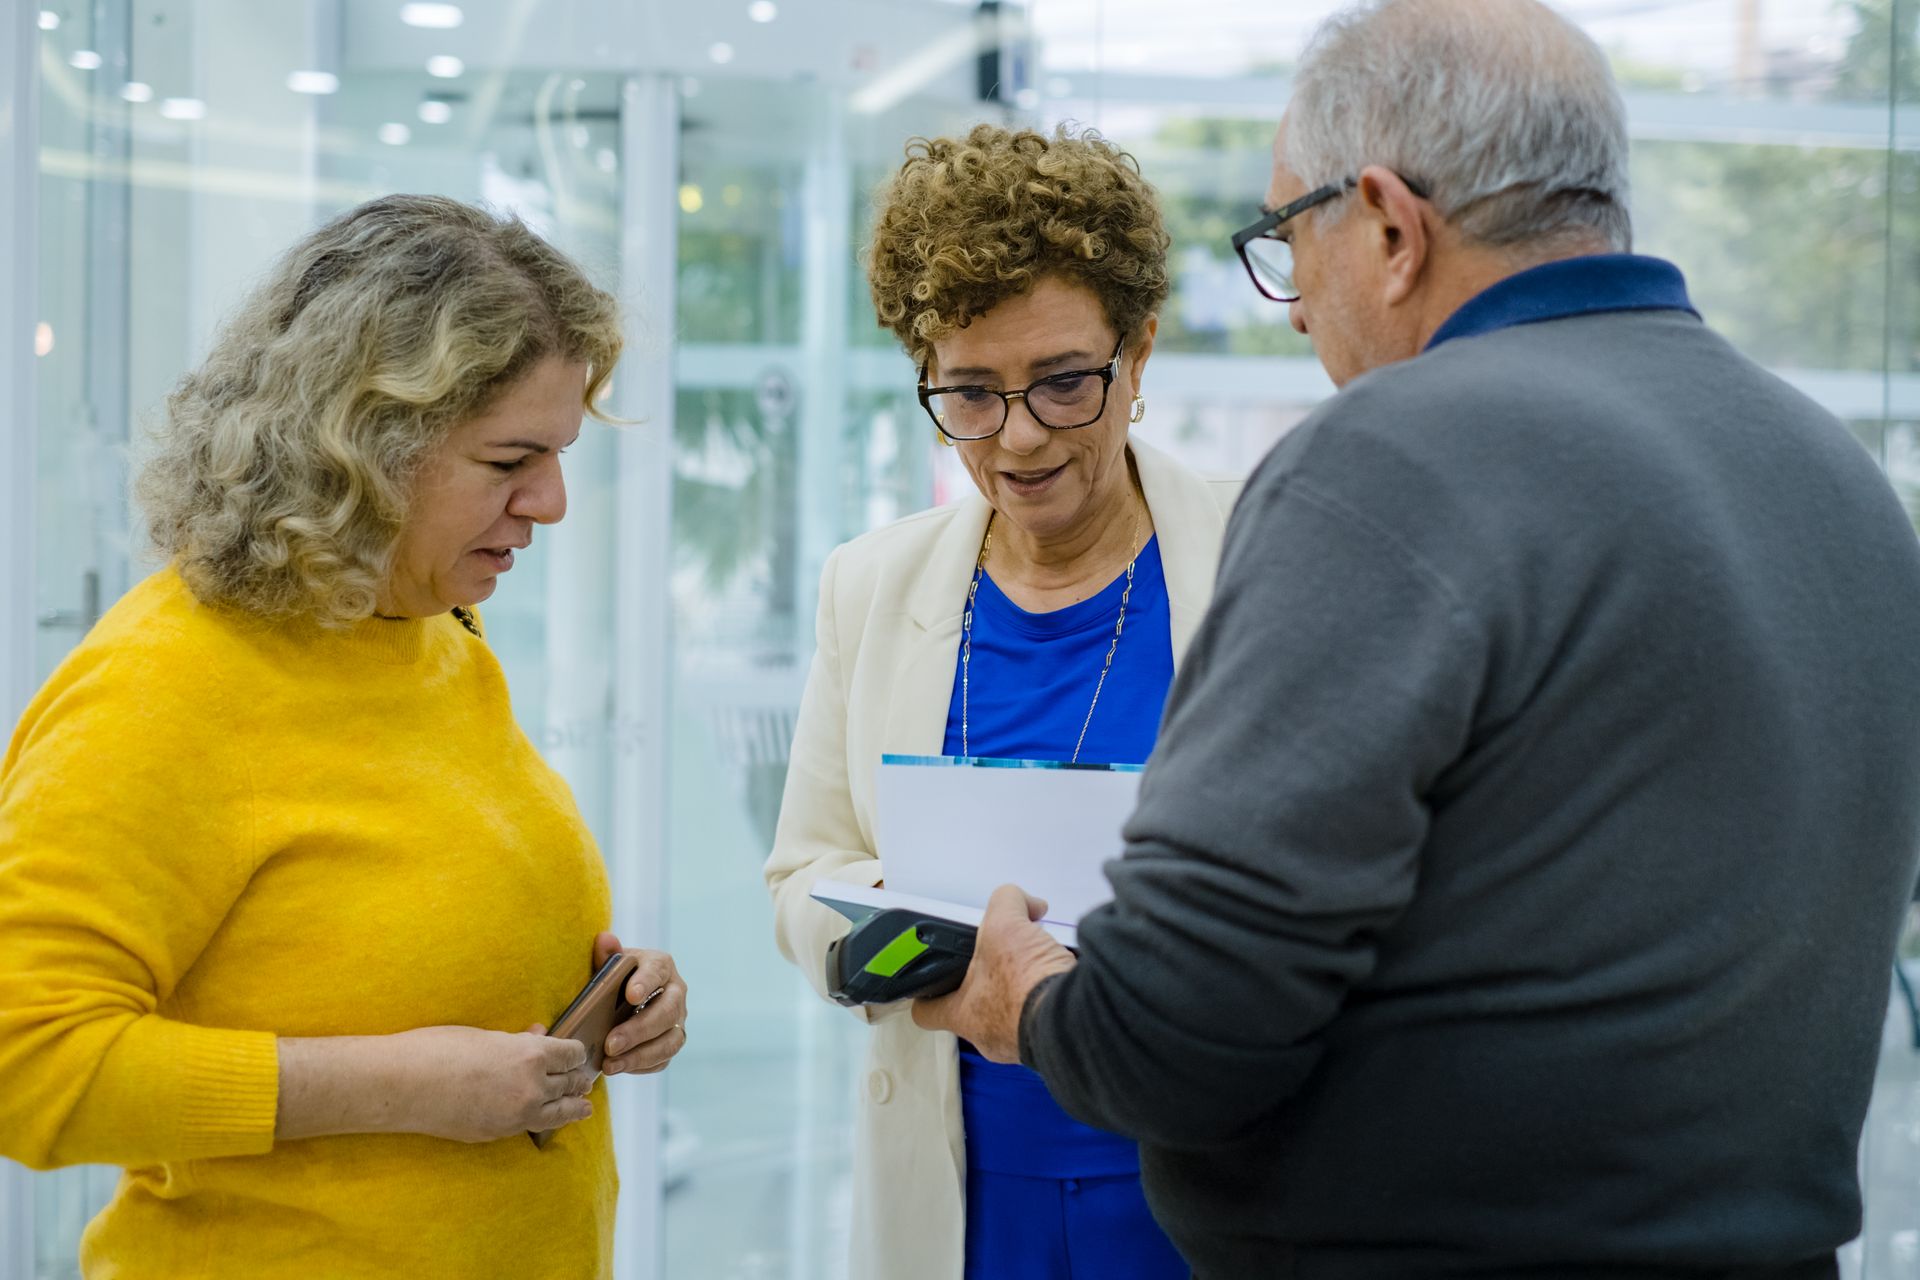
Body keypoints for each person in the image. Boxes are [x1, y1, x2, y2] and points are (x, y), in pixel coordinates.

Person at [915, 2, 1920, 1277]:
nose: (1294, 311)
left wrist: (1032, 997)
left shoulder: (1393, 459)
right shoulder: (1839, 481)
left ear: (1390, 226)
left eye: (1291, 238)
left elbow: (1175, 1031)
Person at [0, 195, 689, 1278]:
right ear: (363, 446)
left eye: (557, 453)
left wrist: (616, 995)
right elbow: (25, 1064)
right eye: (510, 460)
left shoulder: (427, 628)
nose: (552, 502)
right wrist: (397, 1086)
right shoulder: (162, 684)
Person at [763, 124, 1239, 1280]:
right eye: (971, 392)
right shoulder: (872, 585)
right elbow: (804, 875)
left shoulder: (1262, 551)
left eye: (1065, 382)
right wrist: (924, 954)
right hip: (967, 1195)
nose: (1019, 437)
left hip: (1201, 1182)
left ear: (1138, 354)